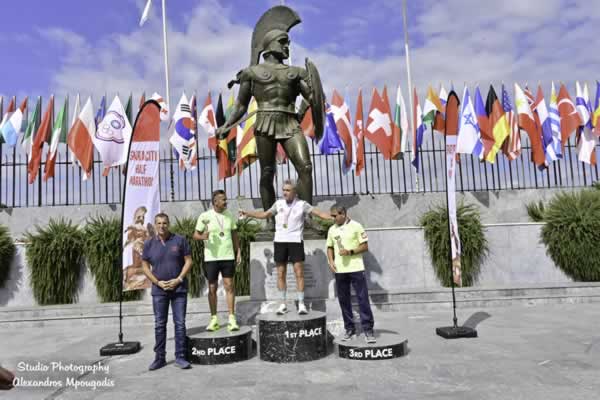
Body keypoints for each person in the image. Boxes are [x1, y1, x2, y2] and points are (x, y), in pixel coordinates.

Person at [215, 5, 326, 224]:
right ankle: (270, 221)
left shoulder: (296, 73)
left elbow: (313, 98)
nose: (287, 46)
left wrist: (304, 108)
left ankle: (306, 218)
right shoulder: (252, 73)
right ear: (271, 44)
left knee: (305, 167)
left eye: (288, 42)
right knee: (267, 173)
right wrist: (226, 125)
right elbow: (241, 105)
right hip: (264, 123)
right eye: (283, 42)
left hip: (290, 123)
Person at [240, 180, 332, 315]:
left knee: (299, 273)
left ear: (294, 192)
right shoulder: (278, 204)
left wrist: (333, 217)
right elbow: (265, 215)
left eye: (288, 190)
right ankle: (282, 303)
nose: (284, 192)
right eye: (283, 190)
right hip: (280, 242)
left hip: (295, 241)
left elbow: (319, 213)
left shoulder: (302, 204)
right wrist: (248, 213)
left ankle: (301, 303)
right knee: (281, 273)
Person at [142, 213, 193, 370]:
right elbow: (145, 267)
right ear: (155, 225)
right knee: (159, 324)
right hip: (159, 291)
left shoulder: (180, 240)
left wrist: (179, 279)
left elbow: (189, 261)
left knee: (180, 324)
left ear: (168, 224)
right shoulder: (149, 244)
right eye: (158, 223)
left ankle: (180, 357)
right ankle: (160, 358)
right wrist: (157, 282)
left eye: (164, 223)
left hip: (179, 290)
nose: (162, 226)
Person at [326, 205, 376, 344]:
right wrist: (331, 261)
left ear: (343, 214)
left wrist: (350, 252)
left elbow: (365, 246)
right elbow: (329, 246)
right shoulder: (332, 229)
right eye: (332, 216)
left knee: (362, 299)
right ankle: (349, 329)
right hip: (340, 271)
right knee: (344, 301)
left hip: (356, 269)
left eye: (335, 215)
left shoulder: (356, 226)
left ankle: (368, 330)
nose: (333, 218)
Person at [193, 190, 241, 332]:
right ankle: (214, 319)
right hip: (211, 257)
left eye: (226, 199)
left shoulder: (229, 215)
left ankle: (231, 318)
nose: (226, 202)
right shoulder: (205, 216)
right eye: (223, 200)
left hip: (228, 256)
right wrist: (203, 237)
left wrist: (238, 251)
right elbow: (195, 235)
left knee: (229, 286)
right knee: (212, 288)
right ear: (215, 202)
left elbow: (234, 234)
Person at [123, 206, 154, 290]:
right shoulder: (134, 227)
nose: (141, 219)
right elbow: (129, 240)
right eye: (139, 216)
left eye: (143, 217)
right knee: (137, 266)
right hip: (136, 249)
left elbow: (149, 238)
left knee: (144, 266)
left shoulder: (144, 229)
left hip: (143, 250)